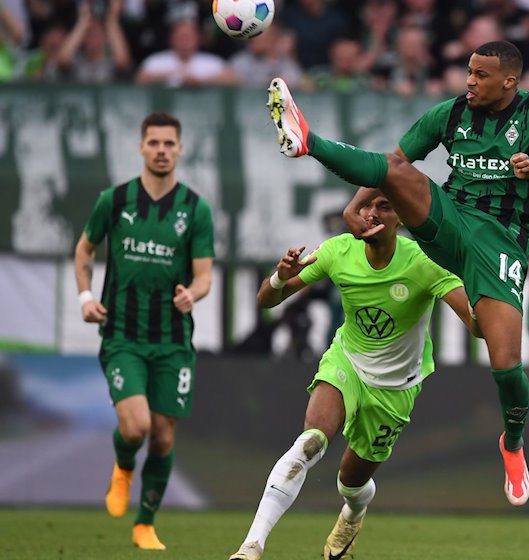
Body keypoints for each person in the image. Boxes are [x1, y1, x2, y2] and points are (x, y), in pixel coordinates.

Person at [266, 39, 529, 506]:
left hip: (501, 240)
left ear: (509, 81)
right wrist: (355, 208)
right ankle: (308, 141)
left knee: (505, 362)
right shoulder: (449, 114)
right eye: (468, 71)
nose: (469, 81)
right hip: (449, 217)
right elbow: (394, 164)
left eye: (481, 75)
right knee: (396, 170)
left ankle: (512, 441)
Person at [228, 192, 480, 560]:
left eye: (385, 207)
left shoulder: (426, 261)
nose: (371, 214)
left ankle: (354, 512)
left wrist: (492, 294)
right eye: (366, 206)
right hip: (347, 362)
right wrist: (280, 279)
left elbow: (478, 326)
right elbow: (266, 300)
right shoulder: (336, 251)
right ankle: (250, 547)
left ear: (402, 219)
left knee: (351, 483)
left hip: (396, 387)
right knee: (309, 443)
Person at [73, 112, 214, 550]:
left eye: (169, 144)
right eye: (153, 142)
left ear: (180, 149)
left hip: (172, 342)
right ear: (140, 146)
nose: (161, 150)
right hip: (123, 335)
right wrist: (84, 297)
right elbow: (84, 249)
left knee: (164, 434)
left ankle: (145, 523)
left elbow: (204, 277)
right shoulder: (114, 201)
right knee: (135, 428)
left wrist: (193, 294)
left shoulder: (195, 209)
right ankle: (122, 467)